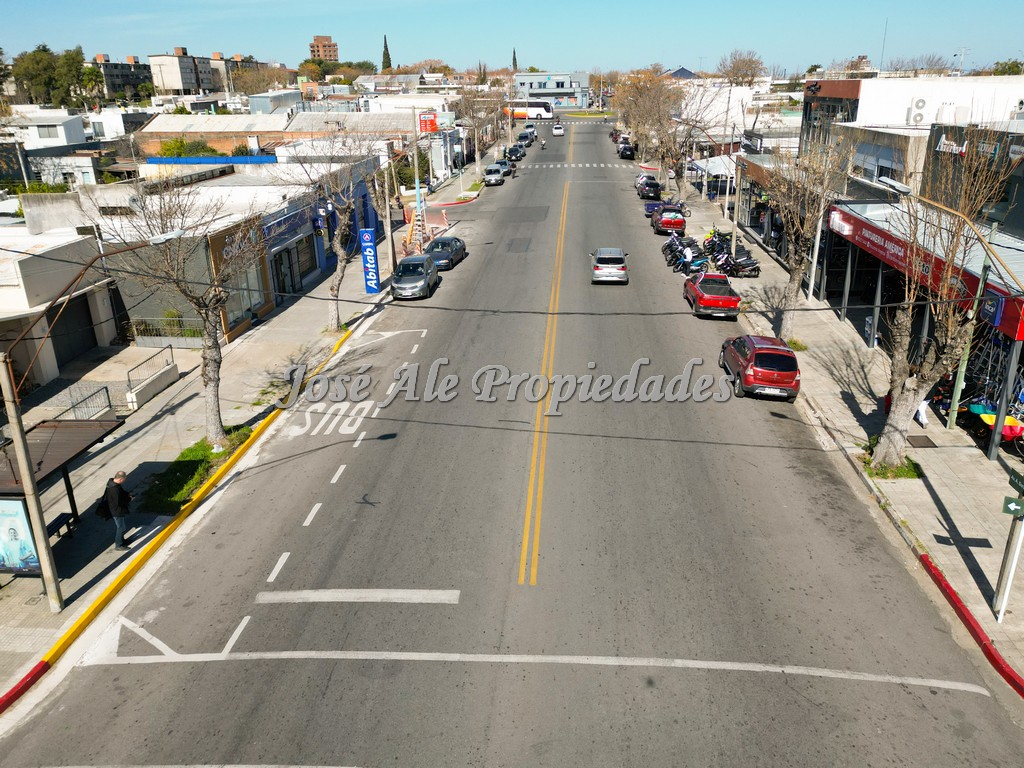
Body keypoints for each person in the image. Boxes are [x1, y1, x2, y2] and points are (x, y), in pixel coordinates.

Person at [106, 470, 133, 551]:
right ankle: (119, 545)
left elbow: (121, 492)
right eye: (124, 479)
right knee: (121, 528)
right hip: (117, 511)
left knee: (121, 527)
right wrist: (129, 499)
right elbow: (119, 502)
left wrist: (127, 494)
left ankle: (122, 541)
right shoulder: (114, 489)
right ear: (120, 479)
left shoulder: (113, 484)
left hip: (116, 509)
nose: (124, 481)